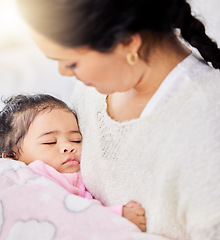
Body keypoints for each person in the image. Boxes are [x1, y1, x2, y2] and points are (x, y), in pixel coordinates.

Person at [14, 0, 220, 239]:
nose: (63, 73)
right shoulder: (93, 90)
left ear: (128, 43)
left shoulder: (206, 133)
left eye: (71, 62)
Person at [0, 93, 146, 232]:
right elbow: (62, 213)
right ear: (12, 158)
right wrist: (117, 214)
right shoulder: (33, 175)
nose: (68, 147)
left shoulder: (84, 175)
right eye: (50, 142)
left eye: (76, 140)